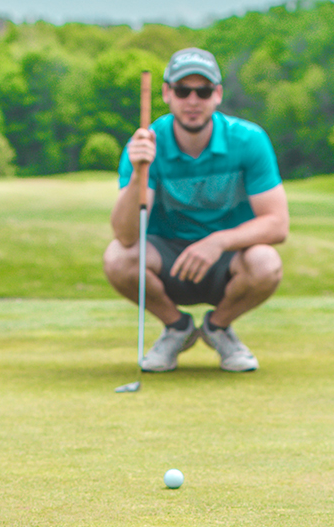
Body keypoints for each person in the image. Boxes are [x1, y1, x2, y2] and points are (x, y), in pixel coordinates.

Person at [104, 47, 289, 373]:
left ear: (217, 95)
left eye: (202, 91)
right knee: (117, 257)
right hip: (168, 257)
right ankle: (178, 329)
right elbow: (125, 233)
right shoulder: (146, 143)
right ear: (166, 93)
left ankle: (218, 328)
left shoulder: (248, 140)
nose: (193, 100)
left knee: (266, 262)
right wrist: (138, 173)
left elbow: (277, 225)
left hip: (228, 259)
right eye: (182, 90)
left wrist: (218, 241)